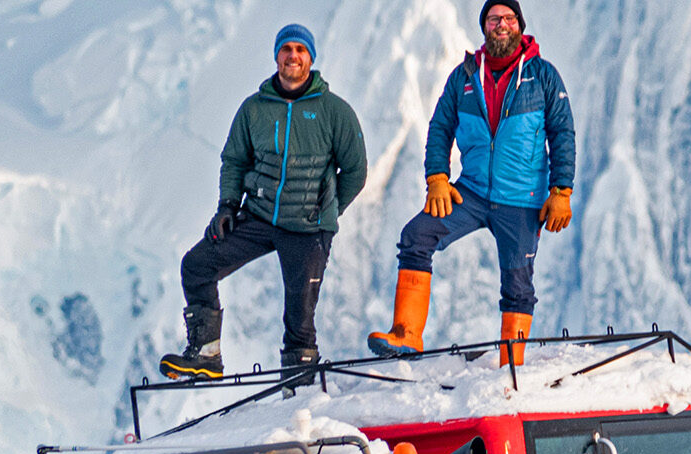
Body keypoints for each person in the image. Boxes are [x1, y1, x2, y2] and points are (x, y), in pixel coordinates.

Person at [368, 0, 575, 364]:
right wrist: (437, 178)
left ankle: (512, 364)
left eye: (509, 18)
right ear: (484, 27)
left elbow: (562, 133)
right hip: (472, 193)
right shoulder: (464, 76)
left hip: (522, 199)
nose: (502, 24)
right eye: (494, 19)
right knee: (417, 236)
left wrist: (561, 191)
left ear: (520, 25)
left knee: (518, 285)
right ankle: (406, 335)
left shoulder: (542, 75)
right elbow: (440, 127)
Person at [161, 24, 368, 379]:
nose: (293, 56)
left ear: (311, 58)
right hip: (258, 216)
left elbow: (355, 171)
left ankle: (298, 386)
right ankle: (206, 354)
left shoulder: (335, 111)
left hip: (307, 227)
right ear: (276, 56)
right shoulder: (254, 109)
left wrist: (326, 212)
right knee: (197, 266)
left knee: (299, 320)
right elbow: (234, 160)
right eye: (286, 49)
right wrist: (228, 206)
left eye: (300, 50)